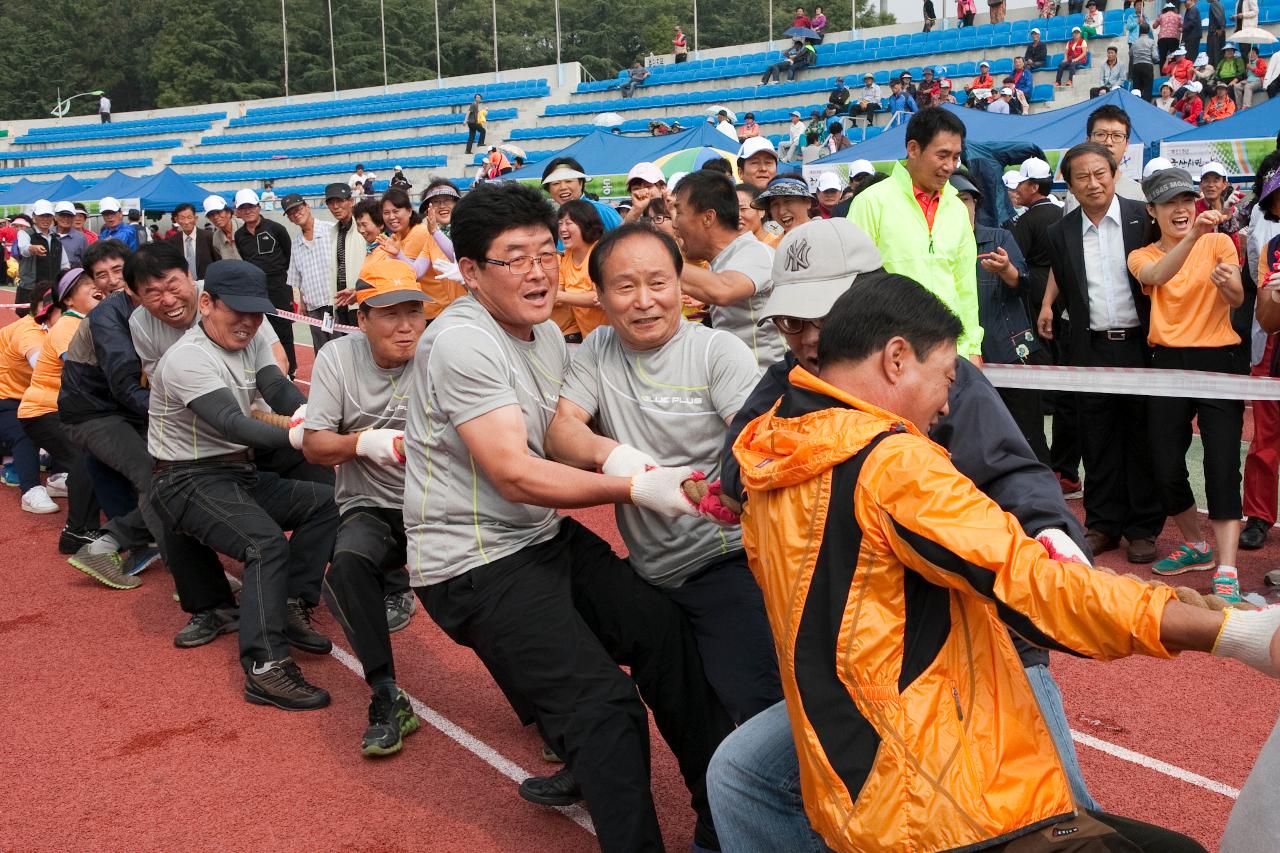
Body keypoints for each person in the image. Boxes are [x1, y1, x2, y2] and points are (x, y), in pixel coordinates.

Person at [723, 266, 1260, 853]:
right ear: (896, 359)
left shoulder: (770, 446)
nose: (949, 400)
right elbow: (1033, 584)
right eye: (947, 377)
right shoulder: (894, 463)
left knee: (739, 773)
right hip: (941, 796)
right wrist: (1230, 631)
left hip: (858, 784)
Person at [709, 217, 1101, 851]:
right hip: (862, 663)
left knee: (1058, 823)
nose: (807, 338)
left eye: (821, 317)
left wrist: (1054, 540)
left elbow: (1013, 474)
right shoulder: (789, 384)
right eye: (790, 322)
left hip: (980, 641)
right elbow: (735, 468)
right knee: (742, 776)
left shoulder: (938, 373)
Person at [401, 181, 732, 851]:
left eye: (546, 252)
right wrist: (639, 487)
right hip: (472, 563)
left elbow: (559, 437)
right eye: (513, 257)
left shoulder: (546, 334)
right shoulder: (462, 341)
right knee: (605, 709)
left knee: (662, 631)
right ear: (469, 271)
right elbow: (515, 472)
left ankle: (722, 815)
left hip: (535, 539)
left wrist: (624, 461)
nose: (538, 270)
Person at [545, 221, 782, 725]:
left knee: (757, 710)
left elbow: (755, 448)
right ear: (600, 298)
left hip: (726, 561)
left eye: (658, 283)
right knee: (680, 706)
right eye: (625, 287)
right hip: (651, 573)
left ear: (682, 287)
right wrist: (630, 466)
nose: (644, 300)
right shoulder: (597, 351)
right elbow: (562, 432)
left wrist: (706, 486)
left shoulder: (716, 351)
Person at [147, 259, 337, 709]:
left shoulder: (249, 338)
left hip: (235, 473)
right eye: (239, 311)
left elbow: (277, 386)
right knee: (265, 545)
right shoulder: (186, 358)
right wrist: (302, 438)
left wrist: (310, 417)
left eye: (257, 312)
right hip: (183, 479)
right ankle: (265, 668)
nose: (249, 322)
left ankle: (289, 602)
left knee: (325, 503)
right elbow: (231, 422)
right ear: (207, 304)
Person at [300, 257, 425, 753]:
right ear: (362, 318)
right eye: (390, 313)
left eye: (414, 311)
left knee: (483, 597)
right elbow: (314, 445)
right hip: (370, 501)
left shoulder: (439, 353)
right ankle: (386, 691)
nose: (405, 325)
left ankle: (545, 707)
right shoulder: (337, 359)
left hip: (439, 500)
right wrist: (365, 443)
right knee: (347, 567)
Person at [1128, 167, 1245, 598]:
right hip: (1166, 361)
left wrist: (1228, 284)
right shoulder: (1141, 255)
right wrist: (1193, 236)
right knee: (1165, 462)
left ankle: (1228, 567)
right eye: (1169, 202)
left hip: (1220, 360)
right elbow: (1158, 276)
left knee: (1220, 463)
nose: (1181, 209)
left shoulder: (1220, 241)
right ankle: (1196, 544)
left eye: (1186, 199)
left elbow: (1235, 299)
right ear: (1152, 210)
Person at [56, 240, 174, 587]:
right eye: (100, 276)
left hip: (122, 410)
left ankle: (109, 543)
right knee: (154, 476)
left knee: (171, 475)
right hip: (93, 414)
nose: (110, 280)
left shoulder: (153, 306)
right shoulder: (107, 316)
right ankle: (192, 577)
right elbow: (125, 385)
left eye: (118, 270)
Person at [849, 107, 981, 361]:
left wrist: (971, 347)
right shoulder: (871, 202)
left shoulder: (956, 208)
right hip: (888, 352)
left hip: (946, 353)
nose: (950, 166)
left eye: (956, 157)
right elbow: (856, 285)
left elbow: (965, 286)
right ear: (913, 149)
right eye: (942, 155)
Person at [18, 269, 104, 535]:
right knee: (86, 460)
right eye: (87, 284)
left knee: (93, 460)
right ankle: (78, 530)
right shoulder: (69, 326)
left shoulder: (88, 321)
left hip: (62, 409)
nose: (97, 286)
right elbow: (82, 373)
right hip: (42, 410)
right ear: (67, 300)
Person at [674, 170, 787, 370]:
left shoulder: (756, 253)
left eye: (679, 212)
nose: (674, 223)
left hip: (767, 387)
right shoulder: (721, 261)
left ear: (708, 217)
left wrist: (659, 260)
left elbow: (723, 289)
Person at [0, 293, 60, 517]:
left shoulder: (63, 325)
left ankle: (58, 472)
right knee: (24, 431)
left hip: (24, 396)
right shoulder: (30, 333)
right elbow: (41, 364)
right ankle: (31, 489)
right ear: (43, 309)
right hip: (6, 398)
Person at [376, 187, 465, 324]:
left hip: (469, 306)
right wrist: (398, 254)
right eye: (435, 202)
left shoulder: (467, 228)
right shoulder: (431, 238)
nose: (442, 206)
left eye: (447, 200)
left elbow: (458, 256)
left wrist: (435, 232)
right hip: (452, 310)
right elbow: (417, 272)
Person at [233, 188, 295, 379]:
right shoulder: (239, 236)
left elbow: (288, 255)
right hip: (256, 289)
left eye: (251, 206)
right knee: (261, 330)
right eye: (243, 208)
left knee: (283, 329)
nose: (248, 210)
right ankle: (271, 370)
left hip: (279, 286)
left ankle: (290, 370)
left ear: (259, 207)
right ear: (238, 212)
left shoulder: (276, 229)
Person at [280, 194, 340, 351]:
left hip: (335, 303)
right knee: (322, 351)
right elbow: (297, 277)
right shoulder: (296, 243)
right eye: (291, 213)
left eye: (298, 208)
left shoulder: (331, 229)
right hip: (314, 307)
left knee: (340, 348)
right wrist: (302, 302)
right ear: (290, 219)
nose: (296, 214)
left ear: (307, 207)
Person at [1066, 105, 1147, 213]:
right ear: (1088, 140)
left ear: (1127, 144)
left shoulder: (1140, 194)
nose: (1108, 142)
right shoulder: (1075, 193)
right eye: (1100, 134)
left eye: (1117, 136)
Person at [540, 157, 625, 231]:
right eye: (555, 183)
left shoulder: (602, 211)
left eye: (568, 181)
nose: (563, 187)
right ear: (549, 190)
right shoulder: (553, 221)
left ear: (581, 183)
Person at [325, 182, 367, 326]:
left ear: (351, 201)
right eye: (331, 203)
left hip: (360, 300)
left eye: (340, 201)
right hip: (341, 302)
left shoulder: (363, 228)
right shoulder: (334, 232)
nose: (335, 207)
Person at [15, 201, 66, 314]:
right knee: (26, 318)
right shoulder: (25, 233)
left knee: (51, 317)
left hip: (51, 288)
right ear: (33, 217)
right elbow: (24, 249)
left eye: (48, 216)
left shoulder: (56, 238)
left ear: (53, 217)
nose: (45, 219)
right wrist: (32, 248)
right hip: (30, 287)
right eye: (42, 215)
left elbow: (64, 264)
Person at [164, 202, 218, 280]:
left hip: (208, 283)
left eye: (189, 217)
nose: (186, 222)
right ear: (177, 220)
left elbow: (217, 261)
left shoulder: (209, 237)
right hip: (184, 285)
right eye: (182, 218)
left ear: (195, 218)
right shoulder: (172, 241)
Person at [736, 183, 781, 249]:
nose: (737, 215)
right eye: (733, 210)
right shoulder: (730, 248)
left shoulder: (779, 245)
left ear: (761, 211)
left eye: (743, 209)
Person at [203, 195, 240, 261]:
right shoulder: (216, 238)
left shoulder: (243, 226)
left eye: (219, 212)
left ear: (228, 212)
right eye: (211, 215)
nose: (215, 217)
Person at [1132, 23, 1159, 100]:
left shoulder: (1135, 42)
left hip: (1136, 66)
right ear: (1148, 31)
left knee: (1136, 89)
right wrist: (1155, 61)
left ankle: (1136, 104)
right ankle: (1146, 106)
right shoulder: (1151, 41)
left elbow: (1131, 54)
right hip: (1147, 66)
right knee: (1148, 87)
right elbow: (1155, 56)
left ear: (1139, 31)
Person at [1157, 1, 1183, 66]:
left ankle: (1163, 74)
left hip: (1162, 39)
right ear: (1174, 9)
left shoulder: (1161, 16)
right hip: (1174, 39)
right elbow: (1183, 26)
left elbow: (1154, 26)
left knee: (1162, 58)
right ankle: (1173, 73)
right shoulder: (1178, 16)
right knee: (1174, 57)